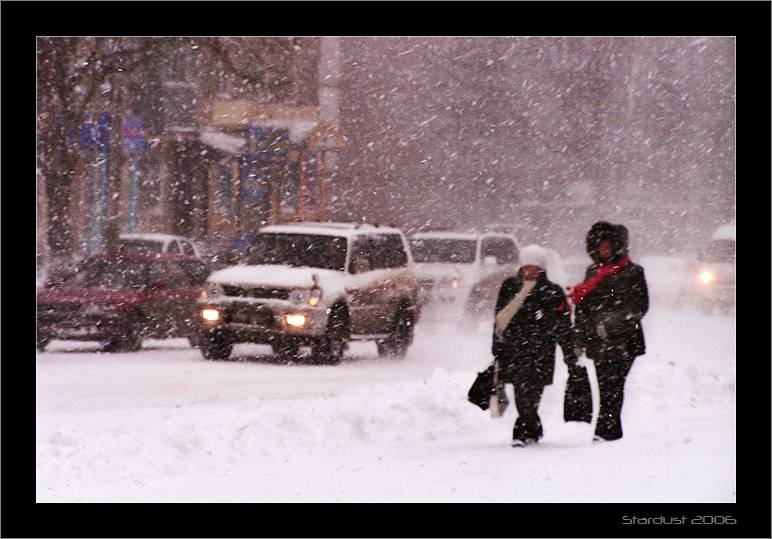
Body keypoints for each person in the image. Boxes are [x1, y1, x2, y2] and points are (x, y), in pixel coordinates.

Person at [570, 221, 649, 442]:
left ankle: (606, 430)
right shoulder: (593, 272)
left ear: (617, 246)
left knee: (614, 385)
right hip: (597, 340)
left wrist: (611, 324)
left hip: (625, 341)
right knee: (605, 386)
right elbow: (583, 306)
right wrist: (579, 334)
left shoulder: (633, 272)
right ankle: (608, 430)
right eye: (600, 247)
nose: (604, 251)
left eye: (608, 247)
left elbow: (639, 306)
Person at [492, 244, 577, 447]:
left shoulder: (552, 291)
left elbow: (563, 324)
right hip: (515, 351)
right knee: (522, 392)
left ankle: (526, 430)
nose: (530, 271)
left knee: (532, 392)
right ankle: (528, 429)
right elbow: (498, 319)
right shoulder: (510, 287)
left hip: (541, 352)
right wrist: (496, 347)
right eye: (526, 267)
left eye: (534, 267)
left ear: (542, 268)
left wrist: (569, 354)